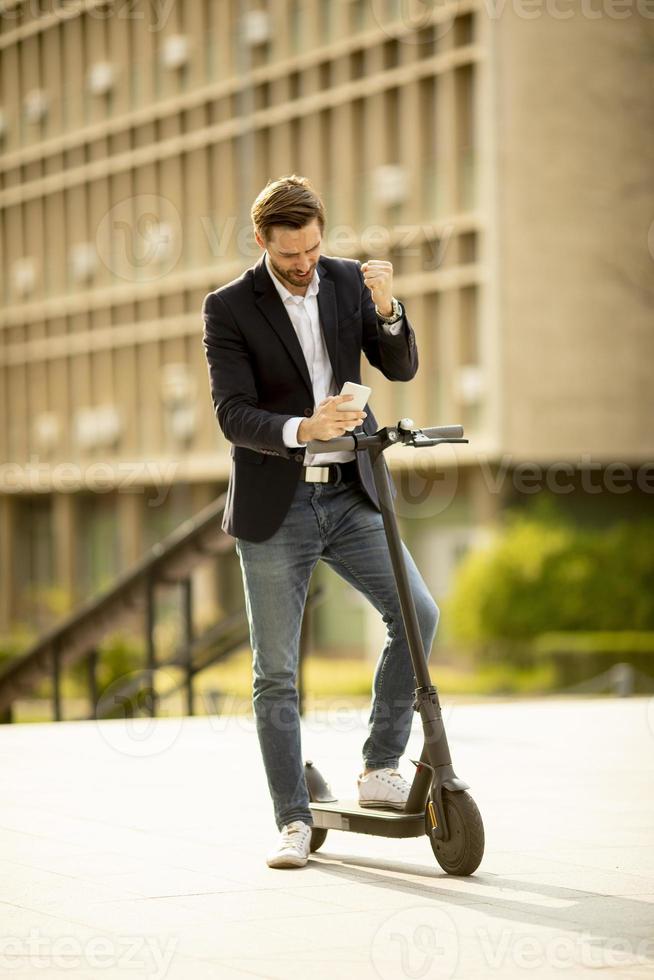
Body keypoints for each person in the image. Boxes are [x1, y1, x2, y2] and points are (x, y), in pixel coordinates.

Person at [202, 175, 439, 869]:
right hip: (276, 504)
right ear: (261, 242)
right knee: (275, 672)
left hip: (351, 494)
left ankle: (378, 766)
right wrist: (303, 427)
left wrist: (388, 309)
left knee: (418, 618)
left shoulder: (341, 282)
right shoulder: (228, 308)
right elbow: (231, 414)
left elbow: (399, 365)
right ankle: (291, 821)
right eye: (289, 257)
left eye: (311, 250)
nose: (303, 266)